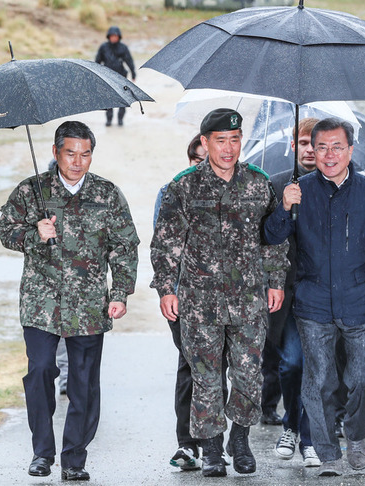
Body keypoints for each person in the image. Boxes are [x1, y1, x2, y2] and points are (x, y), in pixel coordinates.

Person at [0, 120, 138, 482]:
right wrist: (34, 234)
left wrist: (119, 293)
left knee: (84, 383)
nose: (78, 161)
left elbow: (124, 247)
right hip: (41, 302)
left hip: (90, 305)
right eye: (70, 153)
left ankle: (75, 457)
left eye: (85, 154)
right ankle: (42, 453)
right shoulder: (32, 191)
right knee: (41, 370)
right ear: (56, 152)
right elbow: (5, 230)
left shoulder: (107, 194)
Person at [264, 117, 365, 478]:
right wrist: (283, 208)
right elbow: (272, 238)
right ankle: (327, 453)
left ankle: (356, 435)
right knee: (319, 378)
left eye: (336, 147)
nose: (327, 154)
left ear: (350, 150)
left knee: (362, 380)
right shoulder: (299, 189)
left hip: (361, 301)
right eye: (320, 147)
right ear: (311, 149)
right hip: (312, 301)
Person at [151, 109, 287, 478]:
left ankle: (239, 440)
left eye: (235, 139)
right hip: (200, 301)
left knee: (248, 374)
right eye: (220, 140)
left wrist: (276, 280)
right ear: (205, 142)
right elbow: (165, 245)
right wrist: (166, 288)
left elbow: (272, 241)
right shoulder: (183, 186)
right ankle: (211, 448)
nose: (228, 148)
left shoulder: (259, 184)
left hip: (248, 300)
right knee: (206, 376)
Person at [154, 132, 228, 473]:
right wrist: (169, 290)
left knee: (219, 366)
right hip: (186, 297)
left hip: (227, 299)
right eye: (198, 160)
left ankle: (214, 441)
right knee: (192, 365)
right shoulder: (173, 192)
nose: (204, 167)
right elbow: (163, 245)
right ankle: (188, 443)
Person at [268, 118, 321, 468]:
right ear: (293, 146)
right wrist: (285, 207)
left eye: (317, 143)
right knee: (290, 363)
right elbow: (267, 236)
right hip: (287, 292)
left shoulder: (336, 182)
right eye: (303, 142)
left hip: (324, 292)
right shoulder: (274, 184)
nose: (310, 150)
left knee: (320, 369)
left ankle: (311, 436)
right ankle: (290, 423)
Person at [95, 26, 136, 127]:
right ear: (108, 36)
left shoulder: (123, 48)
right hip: (107, 77)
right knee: (108, 100)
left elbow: (129, 61)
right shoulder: (103, 47)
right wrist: (96, 74)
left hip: (121, 77)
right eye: (112, 36)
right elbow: (97, 61)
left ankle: (120, 119)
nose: (114, 38)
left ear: (119, 37)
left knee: (123, 99)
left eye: (116, 36)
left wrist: (133, 73)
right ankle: (109, 120)